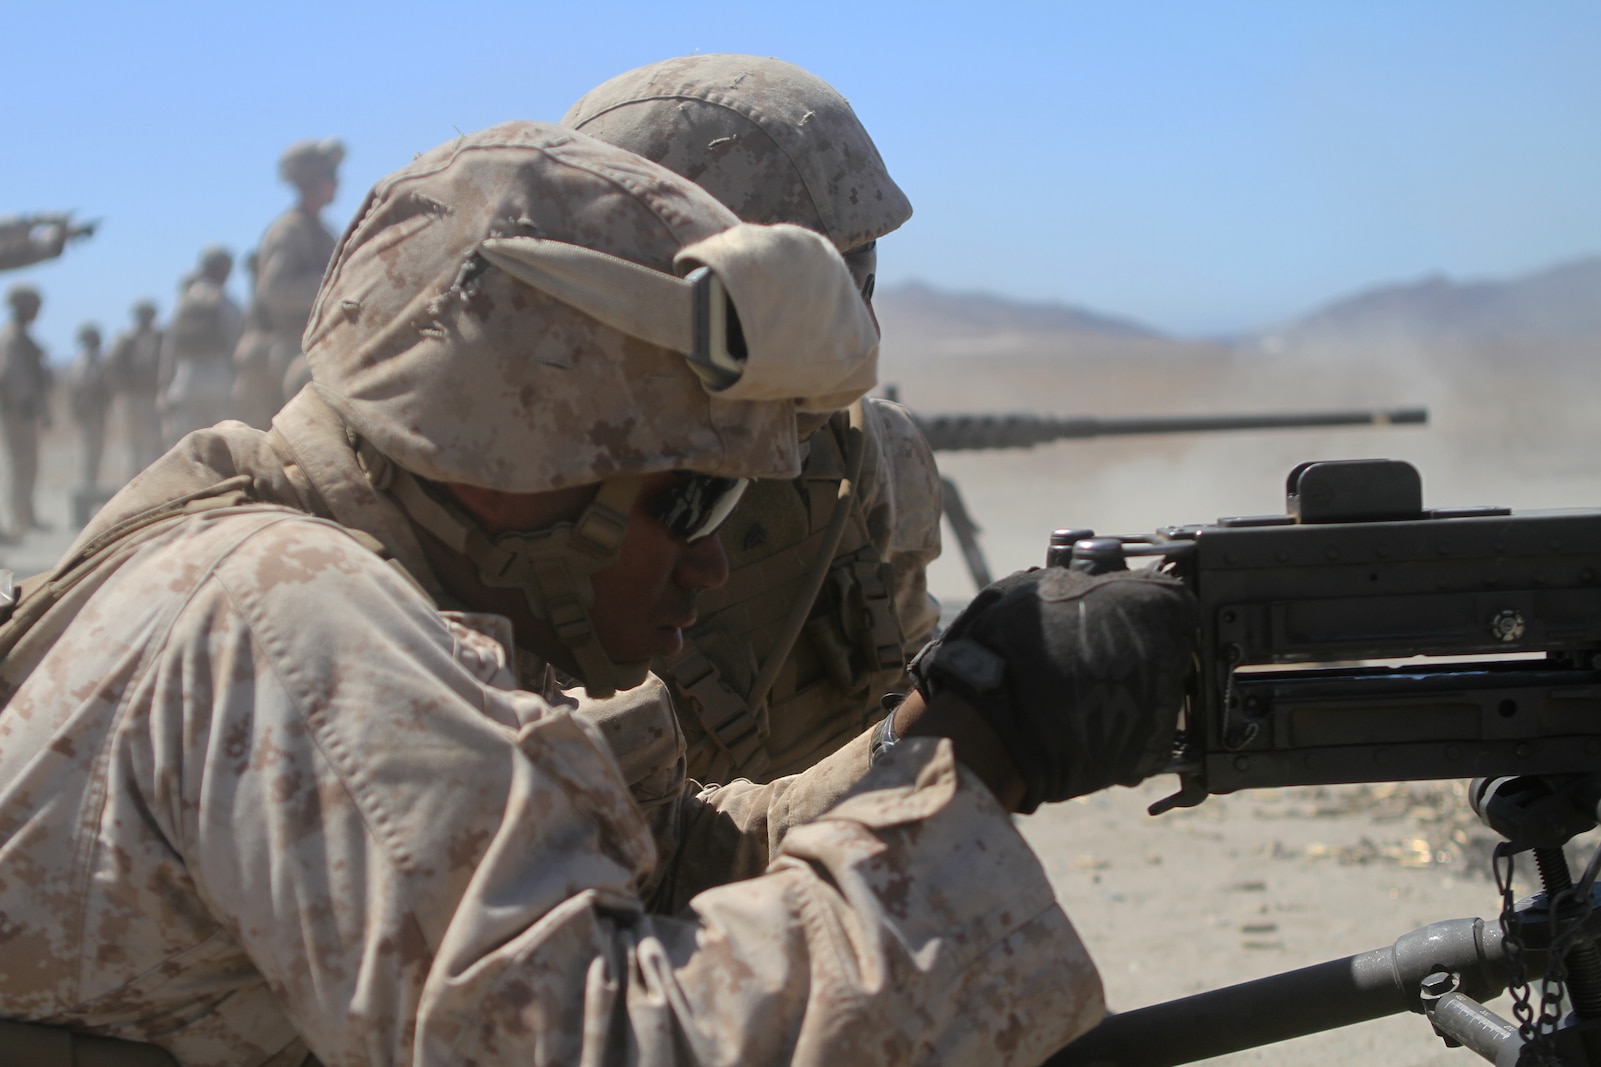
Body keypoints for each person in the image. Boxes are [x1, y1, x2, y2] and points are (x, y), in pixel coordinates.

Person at [0, 121, 1196, 1066]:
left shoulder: (362, 570)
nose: (712, 559)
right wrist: (930, 875)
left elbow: (644, 862)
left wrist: (957, 736)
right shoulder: (293, 619)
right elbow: (599, 1038)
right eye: (691, 498)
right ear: (522, 472)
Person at [565, 55, 942, 782]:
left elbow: (903, 673)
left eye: (862, 282)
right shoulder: (522, 503)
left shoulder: (871, 452)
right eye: (820, 297)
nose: (861, 335)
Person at [233, 138, 343, 429]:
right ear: (310, 182)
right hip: (289, 345)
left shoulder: (323, 231)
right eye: (330, 176)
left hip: (318, 340)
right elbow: (275, 290)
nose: (337, 183)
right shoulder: (289, 230)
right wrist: (331, 287)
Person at [159, 245, 240, 444]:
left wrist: (164, 385)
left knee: (186, 445)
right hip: (219, 377)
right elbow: (235, 342)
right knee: (220, 444)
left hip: (186, 378)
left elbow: (170, 346)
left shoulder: (184, 301)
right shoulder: (225, 302)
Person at [0, 283, 52, 535]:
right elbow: (12, 374)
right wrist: (25, 402)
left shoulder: (22, 336)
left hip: (25, 410)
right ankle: (16, 517)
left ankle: (26, 514)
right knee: (18, 463)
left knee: (28, 463)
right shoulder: (12, 337)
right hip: (17, 411)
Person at [107, 299, 165, 475]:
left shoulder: (157, 337)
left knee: (152, 444)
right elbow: (113, 369)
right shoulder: (126, 339)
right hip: (131, 398)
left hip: (149, 396)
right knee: (133, 446)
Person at [66, 322, 112, 490]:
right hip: (88, 412)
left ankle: (91, 483)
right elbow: (83, 384)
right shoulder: (85, 358)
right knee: (88, 449)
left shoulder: (92, 358)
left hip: (94, 411)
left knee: (95, 449)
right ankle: (87, 485)